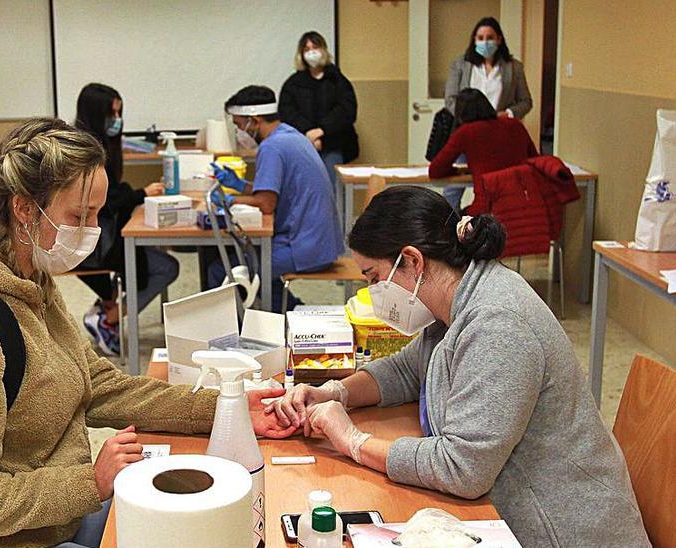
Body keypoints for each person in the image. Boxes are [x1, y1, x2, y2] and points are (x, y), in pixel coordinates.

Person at [0, 118, 295, 547]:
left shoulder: (27, 279)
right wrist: (90, 482)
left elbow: (95, 384)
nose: (92, 231)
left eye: (96, 215)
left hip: (43, 522)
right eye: (79, 216)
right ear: (24, 208)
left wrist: (223, 407)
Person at [267, 186, 650, 547]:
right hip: (512, 511)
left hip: (562, 531)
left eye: (374, 278)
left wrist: (352, 440)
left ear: (412, 261)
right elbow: (405, 371)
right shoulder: (453, 302)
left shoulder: (498, 323)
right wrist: (335, 392)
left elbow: (461, 469)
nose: (371, 293)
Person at [209, 85, 344, 312]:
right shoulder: (290, 135)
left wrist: (227, 201)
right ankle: (295, 314)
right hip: (318, 241)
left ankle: (234, 337)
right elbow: (274, 191)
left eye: (239, 125)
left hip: (303, 246)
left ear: (255, 120)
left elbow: (266, 204)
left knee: (222, 269)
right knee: (253, 263)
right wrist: (240, 185)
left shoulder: (272, 147)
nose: (239, 131)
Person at [71, 83, 179, 356]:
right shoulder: (84, 150)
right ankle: (109, 319)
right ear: (96, 115)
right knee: (165, 267)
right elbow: (103, 200)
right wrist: (140, 193)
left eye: (119, 114)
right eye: (111, 115)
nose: (117, 121)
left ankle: (106, 310)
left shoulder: (96, 143)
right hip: (95, 242)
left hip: (103, 235)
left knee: (153, 262)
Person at [440, 16, 534, 210]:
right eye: (480, 37)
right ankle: (448, 229)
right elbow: (450, 100)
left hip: (498, 135)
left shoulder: (513, 68)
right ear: (474, 40)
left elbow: (525, 102)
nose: (485, 42)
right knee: (452, 190)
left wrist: (507, 113)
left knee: (496, 187)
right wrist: (470, 118)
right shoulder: (461, 65)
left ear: (499, 39)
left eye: (490, 37)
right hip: (468, 134)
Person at [278, 31, 359, 228]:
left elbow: (346, 111)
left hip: (332, 145)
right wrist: (309, 133)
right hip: (302, 147)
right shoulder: (293, 83)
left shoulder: (338, 80)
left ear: (323, 50)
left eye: (315, 48)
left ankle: (336, 234)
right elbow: (288, 112)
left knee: (332, 192)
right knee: (302, 194)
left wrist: (322, 131)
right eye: (307, 49)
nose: (311, 53)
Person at [428, 88, 537, 180]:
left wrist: (458, 171)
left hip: (489, 197)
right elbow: (534, 158)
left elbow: (435, 170)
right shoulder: (515, 124)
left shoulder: (466, 131)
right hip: (524, 191)